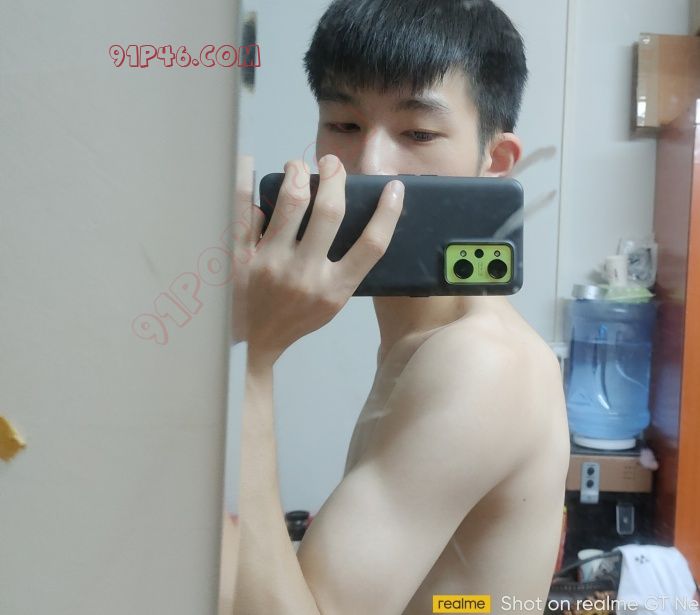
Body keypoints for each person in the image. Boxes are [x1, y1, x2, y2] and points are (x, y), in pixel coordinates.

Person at [230, 1, 570, 613]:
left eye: (418, 134)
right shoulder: (423, 339)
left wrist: (249, 358)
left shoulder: (482, 363)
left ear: (493, 164)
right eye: (344, 123)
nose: (370, 166)